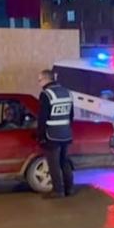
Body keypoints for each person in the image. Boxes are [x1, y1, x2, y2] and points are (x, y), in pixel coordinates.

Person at [37, 69, 74, 198]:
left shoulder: (46, 94)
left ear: (46, 79)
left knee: (54, 164)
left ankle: (58, 191)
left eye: (40, 80)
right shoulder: (67, 92)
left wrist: (41, 136)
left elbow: (42, 117)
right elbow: (71, 115)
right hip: (66, 133)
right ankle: (69, 189)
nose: (39, 83)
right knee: (64, 162)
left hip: (52, 135)